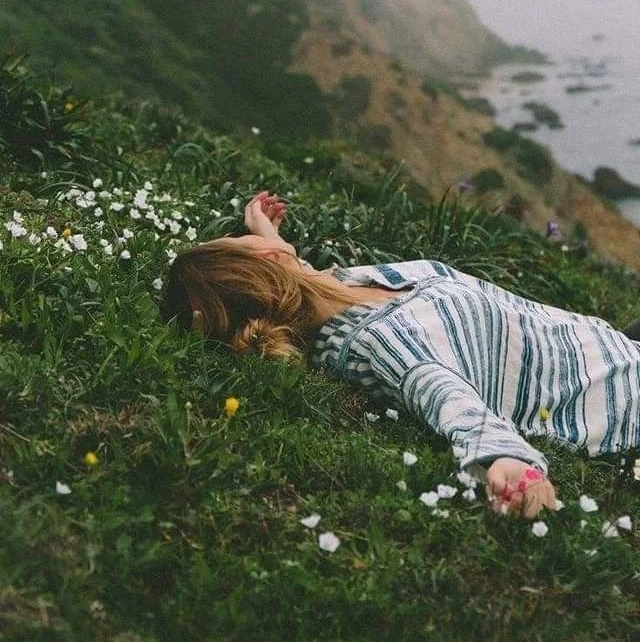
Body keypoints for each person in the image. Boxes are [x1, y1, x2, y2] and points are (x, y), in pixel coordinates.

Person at [162, 191, 640, 520]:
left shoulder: (340, 286)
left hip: (606, 342)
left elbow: (304, 282)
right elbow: (441, 393)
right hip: (618, 389)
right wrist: (507, 460)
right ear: (267, 261)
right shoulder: (380, 338)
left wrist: (263, 229)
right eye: (242, 242)